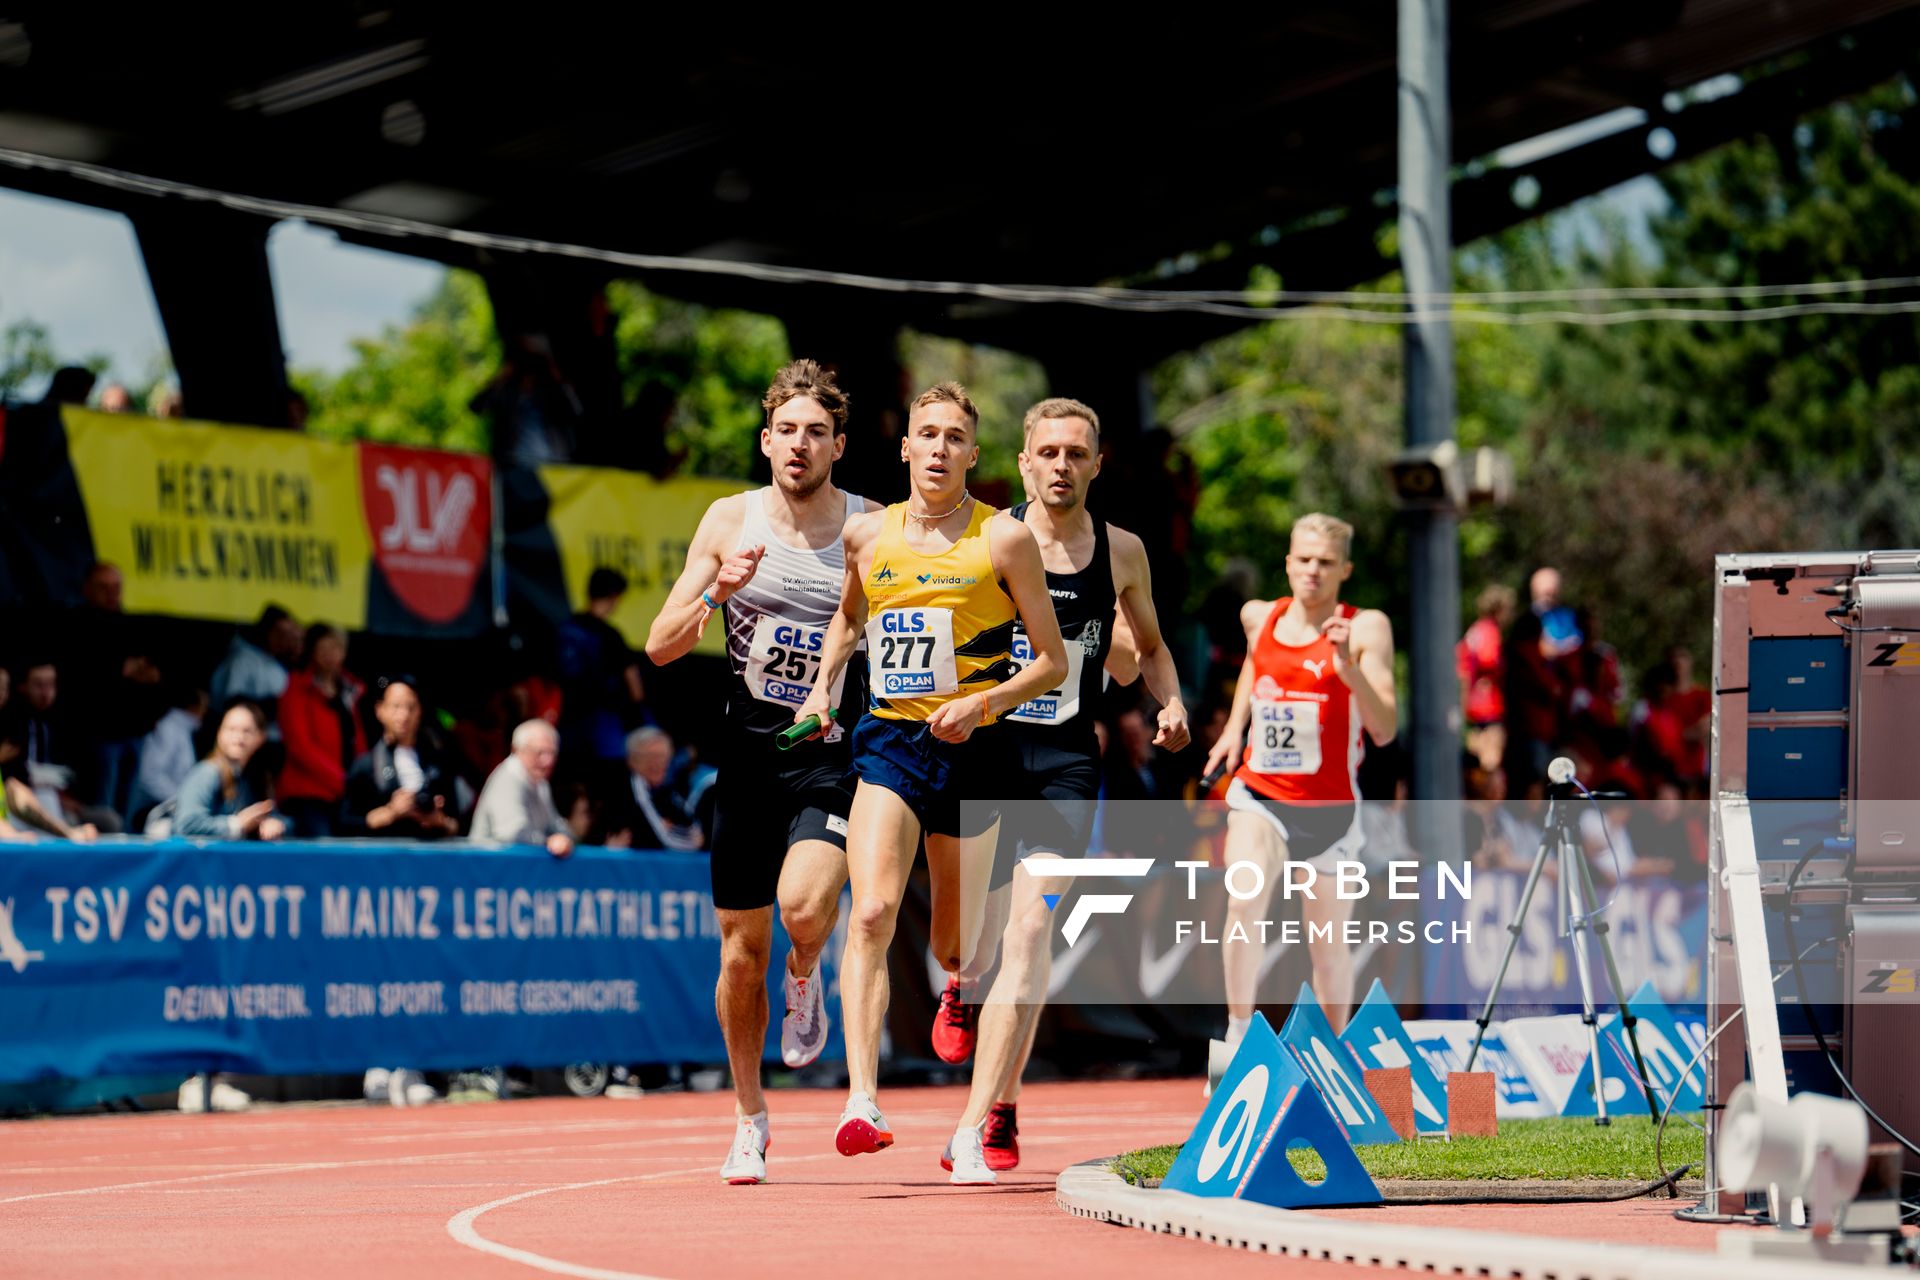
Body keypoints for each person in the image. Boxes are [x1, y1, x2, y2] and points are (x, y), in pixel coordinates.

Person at [794, 380, 1067, 1184]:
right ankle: (862, 1100)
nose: (940, 448)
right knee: (871, 908)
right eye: (927, 434)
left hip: (974, 751)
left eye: (955, 437)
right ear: (904, 448)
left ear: (973, 456)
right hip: (891, 741)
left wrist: (984, 702)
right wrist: (823, 682)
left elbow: (1050, 660)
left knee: (955, 941)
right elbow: (850, 617)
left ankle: (957, 984)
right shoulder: (867, 536)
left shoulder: (1004, 540)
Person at [941, 397, 1191, 1179]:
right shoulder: (985, 537)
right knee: (972, 943)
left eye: (1074, 453)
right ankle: (959, 986)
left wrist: (1172, 699)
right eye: (1046, 452)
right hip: (983, 754)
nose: (1060, 465)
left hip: (1064, 766)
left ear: (1095, 463)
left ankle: (982, 1115)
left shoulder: (1121, 552)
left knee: (1029, 934)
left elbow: (1148, 647)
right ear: (1021, 462)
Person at [644, 358, 876, 1184]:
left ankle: (806, 971)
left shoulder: (871, 527)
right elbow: (660, 644)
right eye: (787, 431)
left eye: (817, 432)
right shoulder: (728, 521)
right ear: (766, 439)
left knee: (805, 906)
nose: (800, 445)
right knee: (740, 953)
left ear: (837, 446)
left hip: (828, 751)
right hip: (746, 755)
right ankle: (750, 1118)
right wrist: (716, 595)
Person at [1201, 512, 1398, 1039]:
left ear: (1344, 570)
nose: (1312, 571)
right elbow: (1255, 665)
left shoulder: (1365, 628)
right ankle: (1238, 1033)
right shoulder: (1258, 616)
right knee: (1245, 894)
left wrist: (1344, 665)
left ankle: (1334, 1053)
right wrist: (1233, 731)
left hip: (1330, 809)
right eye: (1304, 560)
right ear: (1287, 563)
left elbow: (1383, 729)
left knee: (1329, 947)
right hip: (1260, 792)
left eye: (1325, 563)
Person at [556, 567, 647, 786]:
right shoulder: (612, 637)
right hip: (605, 728)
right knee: (607, 784)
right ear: (615, 596)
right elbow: (635, 687)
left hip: (568, 724)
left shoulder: (565, 629)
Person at [276, 624, 366, 837]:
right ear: (312, 652)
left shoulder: (350, 691)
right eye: (324, 649)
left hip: (345, 795)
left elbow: (357, 739)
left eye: (336, 648)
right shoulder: (297, 688)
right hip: (309, 793)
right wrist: (343, 780)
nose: (330, 655)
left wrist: (362, 778)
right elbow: (300, 746)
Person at [344, 675, 461, 838]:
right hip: (382, 855)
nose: (404, 715)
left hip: (429, 854)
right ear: (380, 710)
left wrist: (439, 821)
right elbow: (343, 824)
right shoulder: (365, 765)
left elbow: (459, 823)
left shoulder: (438, 763)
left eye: (410, 707)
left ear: (419, 711)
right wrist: (390, 813)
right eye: (396, 707)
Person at [169, 700, 287, 841]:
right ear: (219, 734)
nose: (238, 738)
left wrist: (272, 824)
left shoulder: (255, 777)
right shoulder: (207, 772)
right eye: (231, 729)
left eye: (247, 731)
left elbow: (281, 818)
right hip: (201, 861)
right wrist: (236, 824)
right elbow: (186, 824)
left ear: (261, 737)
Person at [470, 720, 574, 857]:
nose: (547, 761)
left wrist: (564, 838)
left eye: (552, 753)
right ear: (516, 750)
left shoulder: (540, 783)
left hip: (518, 871)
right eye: (539, 752)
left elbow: (556, 827)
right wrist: (549, 841)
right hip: (489, 870)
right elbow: (513, 834)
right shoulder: (507, 778)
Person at [601, 727, 703, 851]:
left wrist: (673, 829)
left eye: (663, 756)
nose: (658, 763)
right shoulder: (624, 790)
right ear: (631, 760)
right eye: (651, 756)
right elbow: (664, 841)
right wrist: (668, 830)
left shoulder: (668, 791)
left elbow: (696, 832)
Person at [129, 686, 208, 828]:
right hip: (149, 811)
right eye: (204, 706)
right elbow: (149, 776)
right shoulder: (168, 728)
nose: (205, 711)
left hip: (170, 806)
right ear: (193, 706)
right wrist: (182, 799)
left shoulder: (184, 729)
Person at [1458, 584, 1514, 773]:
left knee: (1477, 764)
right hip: (1488, 706)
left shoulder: (1474, 630)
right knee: (1491, 762)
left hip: (1473, 707)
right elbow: (1489, 660)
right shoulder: (1490, 631)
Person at [210, 605, 301, 718]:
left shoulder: (280, 664)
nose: (285, 640)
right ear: (267, 631)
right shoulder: (243, 659)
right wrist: (270, 706)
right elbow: (232, 702)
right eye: (280, 633)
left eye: (288, 635)